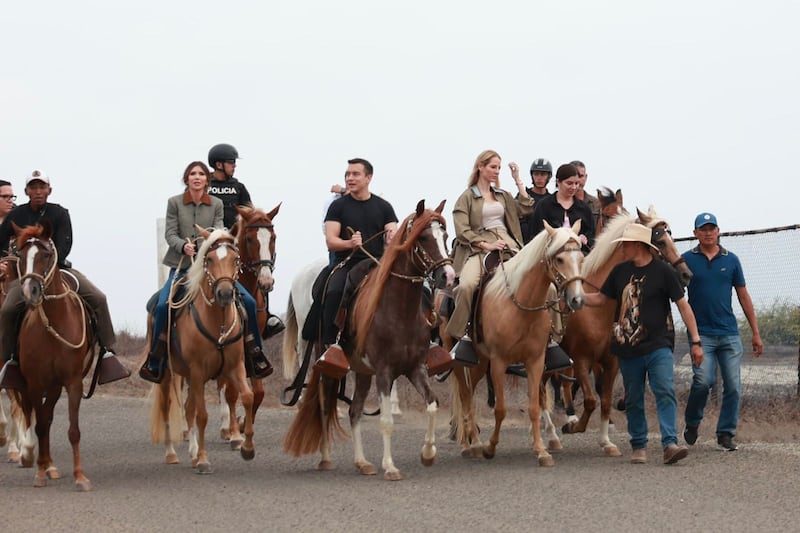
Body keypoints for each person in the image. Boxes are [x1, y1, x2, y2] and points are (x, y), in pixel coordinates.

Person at [139, 162, 273, 383]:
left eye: (201, 174)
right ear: (187, 179)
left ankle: (255, 354)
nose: (197, 177)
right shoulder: (174, 203)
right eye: (193, 174)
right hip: (182, 267)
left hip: (212, 268)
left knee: (249, 302)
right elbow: (170, 233)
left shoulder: (217, 204)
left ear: (206, 180)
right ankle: (156, 359)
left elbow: (218, 230)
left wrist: (206, 243)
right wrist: (183, 245)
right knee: (162, 305)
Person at [584, 223, 703, 465]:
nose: (623, 249)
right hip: (627, 346)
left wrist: (696, 341)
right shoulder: (619, 272)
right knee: (633, 398)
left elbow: (683, 306)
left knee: (664, 390)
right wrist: (576, 297)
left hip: (659, 344)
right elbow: (601, 298)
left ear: (638, 245)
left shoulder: (663, 272)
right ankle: (639, 445)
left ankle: (669, 443)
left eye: (626, 244)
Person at [0, 169, 128, 387]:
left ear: (49, 190)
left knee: (98, 297)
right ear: (26, 191)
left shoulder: (59, 213)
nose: (38, 191)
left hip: (58, 270)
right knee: (8, 309)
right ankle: (9, 361)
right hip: (27, 274)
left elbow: (64, 245)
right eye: (33, 188)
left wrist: (49, 266)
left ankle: (107, 352)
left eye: (42, 187)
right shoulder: (16, 216)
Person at [682, 212, 763, 451]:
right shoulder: (686, 259)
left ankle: (726, 434)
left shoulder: (732, 260)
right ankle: (693, 422)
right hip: (701, 334)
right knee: (702, 381)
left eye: (712, 228)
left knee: (734, 385)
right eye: (703, 229)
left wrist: (755, 332)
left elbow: (743, 295)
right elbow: (675, 294)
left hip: (728, 332)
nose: (708, 233)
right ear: (695, 233)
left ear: (718, 231)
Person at [445, 150, 533, 366]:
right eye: (493, 166)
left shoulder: (502, 195)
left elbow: (526, 207)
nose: (496, 171)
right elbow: (462, 230)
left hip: (509, 245)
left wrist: (517, 180)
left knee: (542, 283)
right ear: (480, 167)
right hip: (478, 247)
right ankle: (462, 336)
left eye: (498, 168)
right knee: (467, 285)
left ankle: (548, 339)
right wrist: (486, 244)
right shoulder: (466, 197)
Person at [315, 158, 398, 378]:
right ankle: (332, 344)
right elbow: (331, 241)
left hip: (377, 264)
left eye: (355, 174)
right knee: (333, 290)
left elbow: (392, 233)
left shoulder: (384, 206)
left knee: (416, 290)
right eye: (348, 174)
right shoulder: (338, 206)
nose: (350, 178)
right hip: (348, 262)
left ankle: (423, 341)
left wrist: (391, 238)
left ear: (368, 178)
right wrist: (349, 243)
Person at [207, 143, 284, 339]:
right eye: (231, 162)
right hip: (210, 244)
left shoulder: (238, 188)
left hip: (234, 244)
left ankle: (264, 316)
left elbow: (250, 215)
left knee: (257, 270)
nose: (234, 166)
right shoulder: (205, 185)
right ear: (218, 164)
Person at [530, 163, 595, 253]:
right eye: (569, 183)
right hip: (549, 256)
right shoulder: (544, 205)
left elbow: (591, 235)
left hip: (579, 256)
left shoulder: (584, 208)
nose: (573, 187)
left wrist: (585, 239)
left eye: (576, 183)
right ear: (558, 182)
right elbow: (535, 234)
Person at [516, 158, 553, 244]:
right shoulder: (523, 195)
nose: (539, 178)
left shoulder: (551, 199)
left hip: (545, 242)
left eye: (543, 174)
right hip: (522, 242)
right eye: (536, 174)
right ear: (532, 175)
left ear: (549, 176)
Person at [571, 160, 601, 230]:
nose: (578, 180)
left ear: (586, 177)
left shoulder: (596, 204)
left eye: (581, 176)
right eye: (574, 176)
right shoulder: (559, 202)